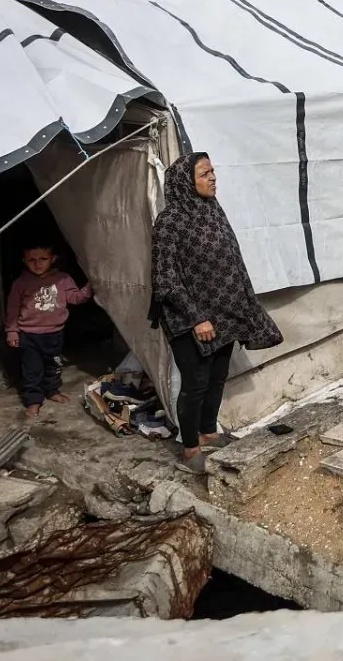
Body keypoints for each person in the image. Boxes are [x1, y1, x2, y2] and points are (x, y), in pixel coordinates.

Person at [151, 153, 282, 474]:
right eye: (205, 173)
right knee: (195, 382)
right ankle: (190, 449)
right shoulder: (170, 222)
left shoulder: (211, 209)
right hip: (188, 318)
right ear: (186, 181)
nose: (213, 178)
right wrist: (197, 318)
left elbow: (230, 261)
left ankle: (209, 432)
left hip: (222, 312)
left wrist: (242, 306)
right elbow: (165, 279)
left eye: (213, 171)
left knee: (217, 377)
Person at [5, 243, 93, 417]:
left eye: (43, 259)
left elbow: (74, 298)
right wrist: (12, 330)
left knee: (54, 365)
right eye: (32, 260)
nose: (38, 264)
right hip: (28, 335)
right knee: (32, 369)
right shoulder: (21, 283)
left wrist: (90, 288)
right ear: (25, 261)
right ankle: (33, 400)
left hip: (54, 334)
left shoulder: (63, 279)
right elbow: (13, 308)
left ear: (53, 259)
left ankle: (52, 391)